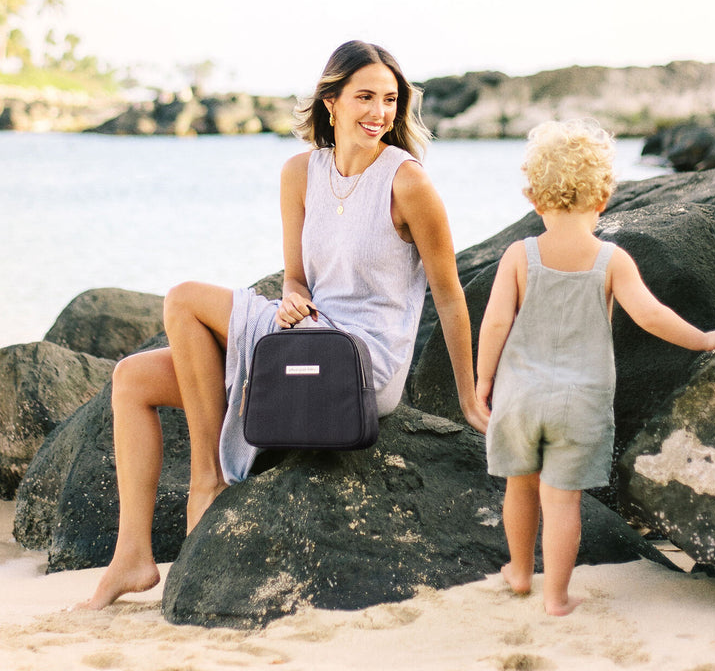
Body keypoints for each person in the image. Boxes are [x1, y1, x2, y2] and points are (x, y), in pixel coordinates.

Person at [79, 40, 489, 610]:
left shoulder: (408, 184)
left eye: (390, 100)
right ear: (332, 102)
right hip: (304, 340)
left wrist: (469, 399)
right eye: (365, 97)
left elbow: (449, 296)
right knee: (132, 379)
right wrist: (292, 300)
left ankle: (208, 481)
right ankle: (132, 558)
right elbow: (296, 279)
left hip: (359, 363)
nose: (380, 113)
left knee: (184, 300)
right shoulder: (300, 173)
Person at [475, 118, 715, 617]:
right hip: (580, 404)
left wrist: (483, 381)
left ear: (534, 197)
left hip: (519, 398)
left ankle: (517, 572)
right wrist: (705, 339)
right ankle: (556, 597)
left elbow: (493, 324)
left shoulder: (519, 255)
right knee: (562, 503)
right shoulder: (610, 259)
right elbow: (651, 315)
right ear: (603, 197)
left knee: (520, 486)